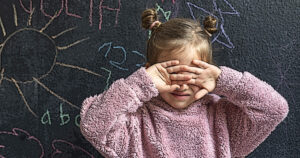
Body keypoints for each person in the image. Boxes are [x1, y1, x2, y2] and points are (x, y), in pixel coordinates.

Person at [80, 8, 289, 158]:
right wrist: (140, 84)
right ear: (150, 72)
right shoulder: (136, 122)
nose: (182, 86)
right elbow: (93, 126)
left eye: (191, 75)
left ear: (207, 72)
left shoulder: (223, 119)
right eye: (173, 74)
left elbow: (274, 109)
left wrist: (223, 81)